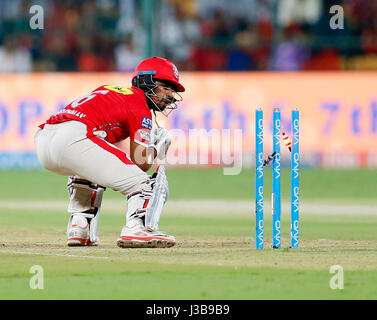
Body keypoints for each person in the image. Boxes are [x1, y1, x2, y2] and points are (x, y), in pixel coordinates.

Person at [34, 57, 185, 248]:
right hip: (74, 137)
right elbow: (141, 161)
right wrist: (157, 147)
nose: (170, 95)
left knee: (89, 170)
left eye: (172, 90)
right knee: (145, 182)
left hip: (44, 138)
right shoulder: (139, 103)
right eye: (166, 86)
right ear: (145, 81)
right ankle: (136, 228)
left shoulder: (111, 91)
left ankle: (80, 227)